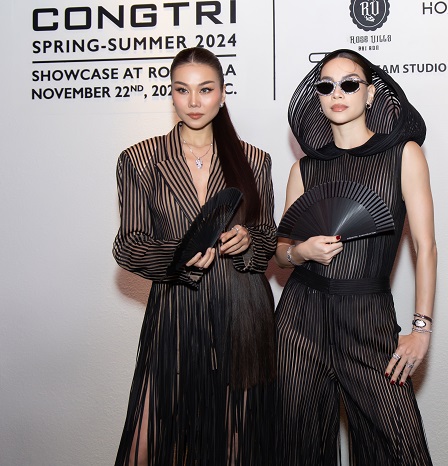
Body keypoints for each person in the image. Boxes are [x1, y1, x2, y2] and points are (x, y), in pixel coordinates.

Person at [113, 47, 277, 466]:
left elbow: (267, 237)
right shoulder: (140, 160)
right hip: (176, 309)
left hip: (240, 310)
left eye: (205, 89)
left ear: (222, 94)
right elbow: (129, 244)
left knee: (236, 445)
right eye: (182, 90)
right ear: (171, 95)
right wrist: (181, 255)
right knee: (145, 442)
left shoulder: (254, 160)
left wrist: (248, 240)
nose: (194, 101)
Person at [275, 49, 436, 465]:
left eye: (349, 84)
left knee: (400, 448)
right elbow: (280, 252)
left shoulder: (403, 155)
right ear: (317, 97)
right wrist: (300, 251)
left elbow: (426, 247)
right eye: (326, 85)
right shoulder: (304, 170)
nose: (337, 93)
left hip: (367, 317)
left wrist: (421, 329)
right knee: (298, 447)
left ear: (370, 94)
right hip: (300, 320)